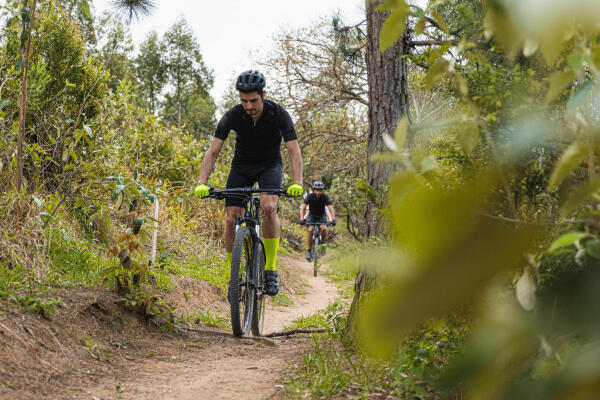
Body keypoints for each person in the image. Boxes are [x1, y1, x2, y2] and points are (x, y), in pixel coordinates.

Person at [193, 70, 303, 296]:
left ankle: (270, 268)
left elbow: (293, 151)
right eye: (244, 101)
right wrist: (202, 182)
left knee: (269, 207)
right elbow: (213, 151)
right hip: (241, 166)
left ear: (263, 94)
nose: (249, 105)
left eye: (253, 100)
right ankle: (232, 272)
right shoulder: (232, 116)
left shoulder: (278, 114)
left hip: (269, 165)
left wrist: (298, 182)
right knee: (231, 216)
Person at [300, 181, 335, 261]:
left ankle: (323, 244)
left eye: (320, 190)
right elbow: (303, 208)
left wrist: (333, 219)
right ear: (314, 190)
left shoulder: (325, 197)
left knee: (323, 228)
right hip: (312, 215)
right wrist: (302, 219)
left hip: (321, 215)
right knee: (310, 229)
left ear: (322, 190)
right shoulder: (309, 196)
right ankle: (309, 250)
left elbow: (330, 208)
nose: (318, 192)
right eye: (317, 190)